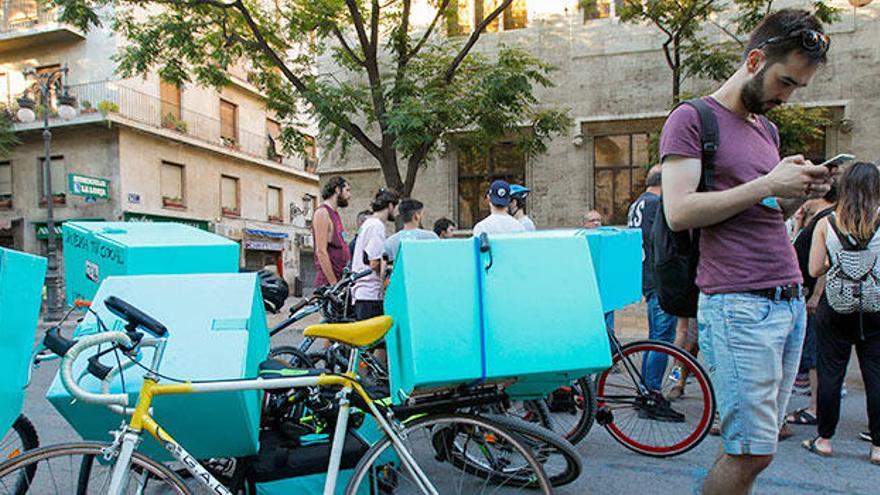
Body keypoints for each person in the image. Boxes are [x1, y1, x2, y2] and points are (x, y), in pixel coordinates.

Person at [660, 10, 834, 494]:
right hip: (739, 303)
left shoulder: (766, 130)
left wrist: (796, 191)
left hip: (787, 300)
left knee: (756, 447)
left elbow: (765, 212)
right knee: (750, 450)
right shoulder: (691, 118)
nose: (787, 95)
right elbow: (678, 211)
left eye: (797, 86)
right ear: (754, 59)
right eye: (784, 81)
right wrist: (767, 182)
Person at [803, 162, 880, 465]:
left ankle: (824, 439)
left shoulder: (827, 222)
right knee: (876, 375)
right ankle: (878, 447)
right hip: (875, 308)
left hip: (835, 307)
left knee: (831, 373)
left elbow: (814, 268)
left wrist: (840, 262)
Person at [627, 165, 682, 421]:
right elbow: (662, 242)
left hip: (646, 277)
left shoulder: (638, 204)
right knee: (662, 338)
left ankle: (647, 391)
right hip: (660, 279)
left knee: (655, 337)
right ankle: (652, 393)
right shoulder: (657, 204)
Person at [785, 184, 838, 428]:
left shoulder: (826, 219)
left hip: (815, 296)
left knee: (816, 353)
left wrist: (816, 295)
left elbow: (824, 262)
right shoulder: (823, 218)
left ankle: (817, 408)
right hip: (811, 294)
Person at [351, 189, 399, 322]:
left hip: (363, 294)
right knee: (373, 341)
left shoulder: (369, 223)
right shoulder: (376, 226)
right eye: (396, 207)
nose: (397, 212)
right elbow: (374, 262)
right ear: (390, 206)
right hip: (370, 294)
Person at [312, 176, 352, 286]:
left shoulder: (335, 214)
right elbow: (321, 251)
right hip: (328, 285)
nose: (349, 195)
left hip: (340, 281)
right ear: (337, 190)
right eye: (347, 190)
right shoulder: (323, 213)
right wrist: (334, 283)